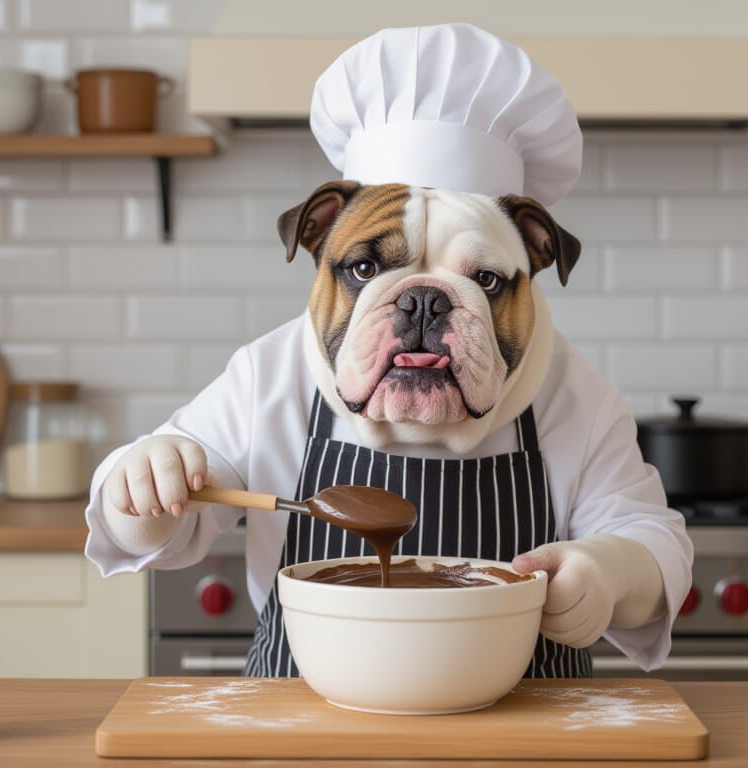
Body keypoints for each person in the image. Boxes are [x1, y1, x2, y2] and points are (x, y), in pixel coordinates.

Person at [84, 23, 693, 678]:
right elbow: (165, 528)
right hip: (308, 717)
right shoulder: (269, 374)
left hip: (524, 721)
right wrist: (140, 487)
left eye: (485, 280)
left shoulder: (574, 393)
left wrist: (607, 572)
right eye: (366, 269)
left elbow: (656, 547)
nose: (421, 310)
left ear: (538, 256)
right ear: (314, 239)